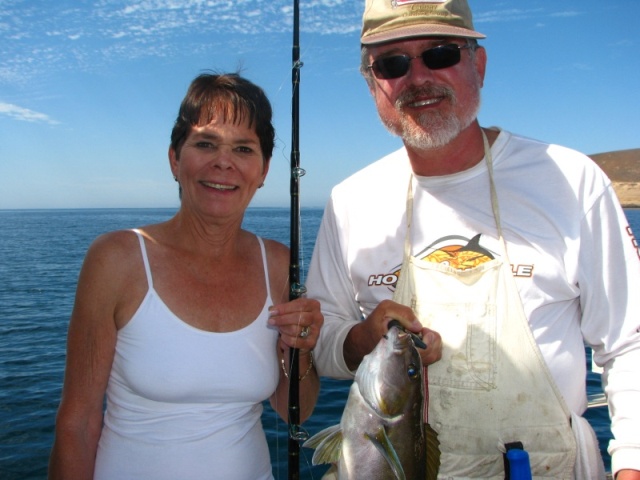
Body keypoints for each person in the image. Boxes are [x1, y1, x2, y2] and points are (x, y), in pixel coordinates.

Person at [307, 0, 640, 478]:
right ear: (371, 83)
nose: (418, 77)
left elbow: (630, 341)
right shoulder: (348, 202)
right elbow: (323, 346)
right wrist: (362, 336)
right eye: (392, 63)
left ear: (477, 64)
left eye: (440, 54)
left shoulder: (571, 180)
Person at [48, 72, 323, 480]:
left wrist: (300, 349)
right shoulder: (117, 259)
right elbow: (79, 422)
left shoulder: (279, 264)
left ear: (264, 170)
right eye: (206, 143)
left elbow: (292, 406)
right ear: (175, 159)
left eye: (243, 148)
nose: (223, 162)